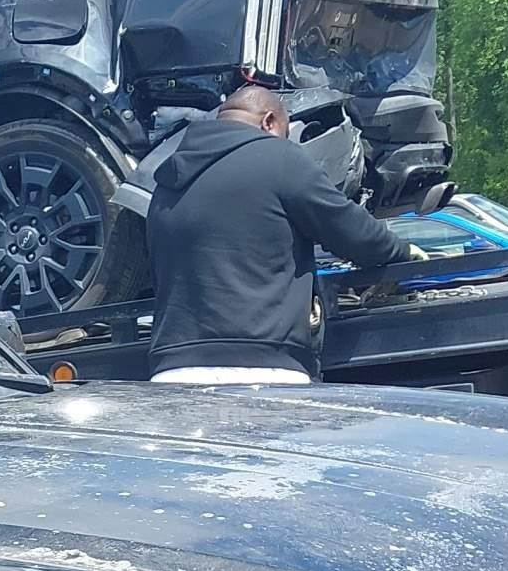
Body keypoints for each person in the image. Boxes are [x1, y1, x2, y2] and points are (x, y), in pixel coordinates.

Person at [144, 84, 414, 386]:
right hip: (263, 366)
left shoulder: (165, 183)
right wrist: (402, 252)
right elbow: (354, 233)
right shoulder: (278, 157)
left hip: (172, 372)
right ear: (269, 122)